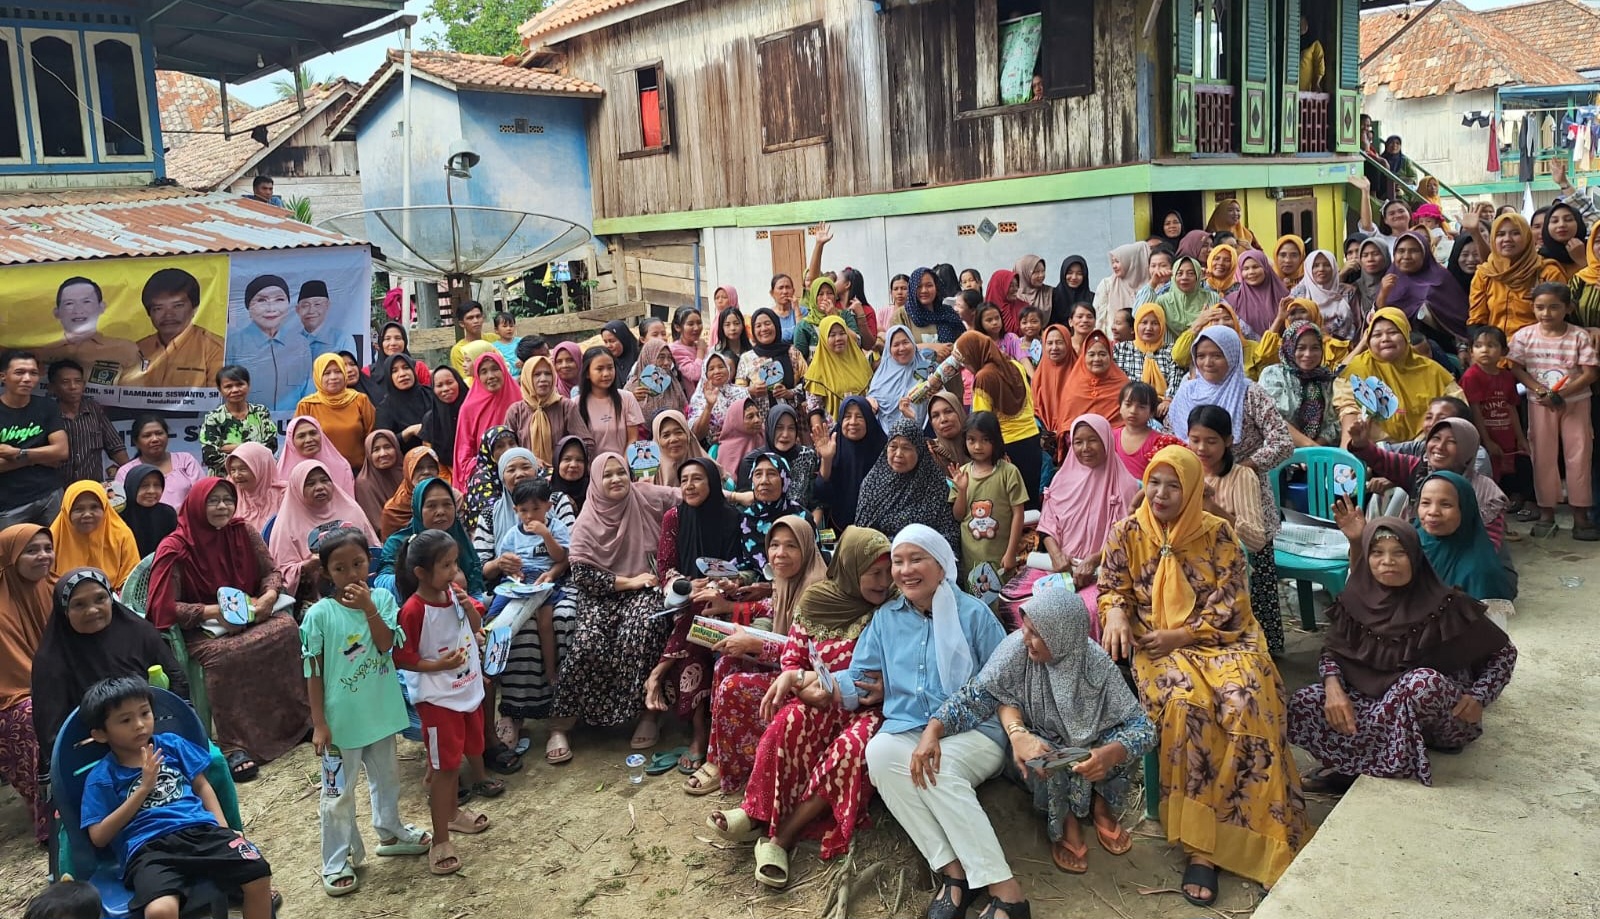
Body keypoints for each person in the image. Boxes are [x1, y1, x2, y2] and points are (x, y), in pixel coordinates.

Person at [1098, 446, 1306, 904]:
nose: (1162, 493)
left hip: (1222, 640)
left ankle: (1257, 838)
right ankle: (1200, 849)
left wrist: (1185, 634)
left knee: (1246, 701)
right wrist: (1114, 615)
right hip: (1156, 647)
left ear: (1192, 489)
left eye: (1174, 485)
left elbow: (1233, 605)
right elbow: (1110, 588)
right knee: (1188, 706)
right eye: (1155, 482)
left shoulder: (1219, 535)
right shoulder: (1127, 533)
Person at [836, 525, 1021, 919]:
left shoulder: (974, 615)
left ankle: (1007, 891)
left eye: (916, 559)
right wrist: (809, 680)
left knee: (938, 766)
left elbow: (1001, 686)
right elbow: (858, 678)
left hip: (975, 732)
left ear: (941, 566)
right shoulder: (886, 619)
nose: (905, 570)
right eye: (898, 562)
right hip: (907, 729)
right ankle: (953, 872)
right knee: (881, 753)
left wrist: (940, 729)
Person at [933, 587, 1154, 875]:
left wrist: (1110, 754)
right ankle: (1064, 821)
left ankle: (1102, 806)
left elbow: (1143, 727)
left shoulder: (1095, 662)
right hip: (1041, 742)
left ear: (1062, 637)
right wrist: (934, 729)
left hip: (1091, 750)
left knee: (1126, 743)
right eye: (1026, 628)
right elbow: (977, 695)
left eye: (1036, 633)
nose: (1026, 638)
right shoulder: (1018, 650)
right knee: (1046, 758)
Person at [703, 520, 878, 884]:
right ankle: (755, 812)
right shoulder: (816, 603)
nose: (882, 581)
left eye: (885, 572)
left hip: (868, 709)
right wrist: (801, 686)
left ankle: (781, 835)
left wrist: (808, 683)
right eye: (872, 572)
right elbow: (793, 659)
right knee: (788, 723)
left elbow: (883, 673)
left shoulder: (887, 612)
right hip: (816, 699)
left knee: (850, 747)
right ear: (849, 566)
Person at [1288, 518, 1515, 791]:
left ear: (1416, 557)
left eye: (1399, 552)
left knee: (1421, 683)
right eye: (1376, 552)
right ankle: (1367, 761)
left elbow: (1503, 653)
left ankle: (1349, 770)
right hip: (1376, 707)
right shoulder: (1355, 599)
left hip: (1441, 721)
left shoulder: (1445, 604)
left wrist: (1480, 695)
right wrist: (1333, 686)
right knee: (1305, 702)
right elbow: (1332, 651)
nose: (1387, 561)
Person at [147, 478, 311, 775]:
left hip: (251, 613)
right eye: (213, 501)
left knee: (286, 630)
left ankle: (297, 723)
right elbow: (165, 606)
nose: (222, 507)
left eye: (227, 499)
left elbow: (271, 572)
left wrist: (268, 597)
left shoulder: (242, 531)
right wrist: (212, 612)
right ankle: (234, 745)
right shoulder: (176, 546)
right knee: (227, 656)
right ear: (197, 504)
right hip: (205, 629)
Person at [300, 527, 431, 894]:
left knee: (387, 778)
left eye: (357, 564)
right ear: (327, 573)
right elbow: (314, 670)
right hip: (341, 725)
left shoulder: (384, 602)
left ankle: (389, 832)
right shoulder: (320, 615)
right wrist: (319, 724)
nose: (351, 574)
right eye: (340, 568)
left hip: (380, 712)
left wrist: (369, 608)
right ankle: (336, 860)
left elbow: (386, 644)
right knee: (337, 792)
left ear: (369, 563)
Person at [79, 676, 276, 919]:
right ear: (100, 734)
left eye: (145, 713)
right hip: (148, 849)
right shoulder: (102, 777)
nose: (140, 725)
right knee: (160, 911)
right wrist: (143, 789)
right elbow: (98, 836)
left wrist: (223, 828)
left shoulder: (172, 746)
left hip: (201, 832)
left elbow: (202, 786)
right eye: (126, 720)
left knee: (258, 871)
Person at [547, 454, 678, 755]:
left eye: (621, 472)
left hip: (645, 588)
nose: (616, 479)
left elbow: (686, 495)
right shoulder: (587, 519)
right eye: (608, 475)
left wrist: (734, 492)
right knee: (588, 643)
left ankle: (649, 713)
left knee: (644, 626)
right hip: (602, 593)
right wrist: (628, 581)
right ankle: (561, 724)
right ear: (596, 481)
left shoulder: (643, 495)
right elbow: (582, 574)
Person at [389, 531, 496, 876]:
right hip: (438, 700)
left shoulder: (455, 595)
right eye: (446, 565)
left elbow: (477, 626)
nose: (454, 572)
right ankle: (440, 839)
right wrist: (438, 666)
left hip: (466, 691)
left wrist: (469, 608)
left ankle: (452, 815)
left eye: (456, 563)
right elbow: (402, 658)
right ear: (421, 572)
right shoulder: (413, 610)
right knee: (445, 768)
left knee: (467, 749)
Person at [1188, 405, 1285, 653]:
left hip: (1234, 565)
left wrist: (1213, 507)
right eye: (1195, 440)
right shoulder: (1185, 472)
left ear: (1228, 441)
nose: (1201, 448)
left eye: (1211, 441)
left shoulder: (1242, 476)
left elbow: (1255, 539)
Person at [1507, 283, 1600, 539]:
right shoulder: (1524, 336)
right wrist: (1541, 391)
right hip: (1541, 405)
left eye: (1554, 307)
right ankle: (1546, 513)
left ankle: (1581, 517)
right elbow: (1516, 367)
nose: (1546, 313)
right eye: (1540, 307)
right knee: (1543, 456)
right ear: (1532, 308)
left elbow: (1590, 373)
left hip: (1576, 402)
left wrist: (1562, 394)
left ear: (1568, 308)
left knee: (1579, 455)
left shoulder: (1579, 336)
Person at [1034, 414, 1139, 609]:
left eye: (1093, 440)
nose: (1085, 448)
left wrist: (1095, 559)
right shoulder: (1062, 479)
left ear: (1106, 441)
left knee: (1088, 610)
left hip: (1105, 571)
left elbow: (1129, 537)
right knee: (1021, 602)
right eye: (1078, 442)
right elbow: (1047, 525)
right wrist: (1056, 554)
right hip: (1058, 568)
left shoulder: (1125, 484)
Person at [1334, 309, 1465, 444]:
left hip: (1426, 448)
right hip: (1375, 452)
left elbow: (1458, 410)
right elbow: (1349, 414)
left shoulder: (1432, 371)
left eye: (1393, 332)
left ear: (1406, 335)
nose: (1385, 339)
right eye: (1377, 334)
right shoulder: (1357, 370)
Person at [0, 524, 55, 842]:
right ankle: (50, 816)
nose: (43, 556)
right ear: (10, 558)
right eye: (32, 550)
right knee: (32, 717)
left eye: (47, 548)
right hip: (13, 697)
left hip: (55, 683)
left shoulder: (58, 587)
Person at [270, 461, 379, 599]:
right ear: (297, 488)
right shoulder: (286, 524)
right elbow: (280, 572)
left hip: (361, 587)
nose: (320, 487)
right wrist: (305, 567)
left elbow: (373, 549)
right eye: (310, 484)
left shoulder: (351, 509)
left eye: (324, 480)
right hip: (314, 598)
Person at [856, 419, 961, 555]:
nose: (898, 454)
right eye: (893, 447)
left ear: (919, 451)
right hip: (881, 562)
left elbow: (949, 535)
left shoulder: (935, 486)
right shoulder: (872, 483)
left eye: (906, 448)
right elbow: (862, 535)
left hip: (926, 563)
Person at [954, 411, 1028, 584]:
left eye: (985, 440)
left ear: (996, 440)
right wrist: (962, 490)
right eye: (971, 440)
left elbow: (1018, 514)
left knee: (1001, 602)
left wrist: (1010, 552)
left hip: (1001, 555)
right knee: (976, 602)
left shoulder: (1008, 472)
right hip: (971, 558)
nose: (978, 446)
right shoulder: (963, 473)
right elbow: (958, 516)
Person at [0, 352, 69, 528]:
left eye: (33, 373)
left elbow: (61, 452)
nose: (27, 378)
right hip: (9, 504)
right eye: (19, 372)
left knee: (58, 549)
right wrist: (40, 458)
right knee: (13, 554)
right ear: (3, 377)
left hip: (50, 494)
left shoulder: (46, 406)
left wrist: (17, 453)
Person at [1470, 213, 1567, 338]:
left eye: (1515, 233)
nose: (1507, 239)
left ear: (1527, 237)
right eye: (1500, 234)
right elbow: (1477, 320)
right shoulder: (1485, 273)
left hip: (1538, 349)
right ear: (1493, 239)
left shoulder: (1547, 272)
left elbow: (1559, 319)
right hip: (1497, 351)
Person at [226, 274, 313, 412]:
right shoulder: (234, 345)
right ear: (248, 306)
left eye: (279, 299)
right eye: (261, 300)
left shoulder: (300, 343)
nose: (271, 308)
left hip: (292, 426)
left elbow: (308, 390)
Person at [131, 268, 226, 389]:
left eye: (178, 306)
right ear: (149, 313)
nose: (168, 315)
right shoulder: (138, 350)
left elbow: (218, 400)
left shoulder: (214, 349)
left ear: (195, 308)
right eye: (159, 308)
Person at [36, 277, 142, 384]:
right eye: (69, 303)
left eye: (86, 302)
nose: (78, 310)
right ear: (57, 312)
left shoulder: (125, 349)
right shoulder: (42, 352)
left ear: (102, 307)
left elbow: (134, 393)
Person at [1259, 320, 1341, 446]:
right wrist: (1309, 448)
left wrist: (1317, 450)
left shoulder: (1326, 379)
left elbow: (1334, 423)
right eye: (1301, 348)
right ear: (1289, 348)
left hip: (1321, 454)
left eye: (1315, 348)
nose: (1308, 354)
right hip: (1281, 453)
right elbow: (1273, 418)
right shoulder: (1273, 375)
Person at [47, 359, 128, 485]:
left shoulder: (94, 409)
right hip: (58, 491)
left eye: (78, 381)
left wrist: (132, 473)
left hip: (93, 489)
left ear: (84, 385)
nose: (73, 386)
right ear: (52, 387)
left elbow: (115, 447)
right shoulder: (47, 414)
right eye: (65, 382)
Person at [50, 480, 140, 588]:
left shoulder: (121, 534)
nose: (87, 514)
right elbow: (47, 581)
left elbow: (131, 579)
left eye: (94, 507)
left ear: (105, 508)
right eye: (78, 509)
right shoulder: (54, 537)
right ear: (67, 511)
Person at [296, 353, 376, 471]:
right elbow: (298, 442)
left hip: (358, 472)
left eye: (338, 371)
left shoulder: (360, 400)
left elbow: (372, 435)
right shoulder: (307, 405)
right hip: (321, 474)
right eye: (326, 373)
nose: (333, 377)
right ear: (318, 376)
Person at [452, 351, 520, 490]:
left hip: (521, 474)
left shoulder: (519, 399)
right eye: (483, 371)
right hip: (486, 481)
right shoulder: (469, 408)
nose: (490, 376)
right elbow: (463, 455)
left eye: (495, 369)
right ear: (477, 376)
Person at [114, 415, 205, 511]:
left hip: (186, 524)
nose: (155, 439)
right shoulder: (126, 471)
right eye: (147, 435)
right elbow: (121, 508)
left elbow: (202, 494)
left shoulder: (186, 460)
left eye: (159, 433)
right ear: (136, 442)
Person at [199, 366, 278, 475]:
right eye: (228, 386)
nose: (235, 390)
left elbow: (271, 446)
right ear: (220, 390)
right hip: (225, 483)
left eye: (240, 384)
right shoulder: (213, 418)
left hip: (259, 477)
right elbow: (210, 457)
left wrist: (236, 448)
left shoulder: (261, 412)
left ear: (248, 385)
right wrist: (255, 449)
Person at [575, 347, 644, 459]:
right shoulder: (576, 404)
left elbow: (633, 439)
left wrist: (622, 466)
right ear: (587, 373)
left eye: (610, 368)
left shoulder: (627, 398)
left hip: (623, 468)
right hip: (590, 471)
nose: (606, 374)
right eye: (600, 369)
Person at [736, 308, 808, 415]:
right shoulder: (747, 358)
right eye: (758, 326)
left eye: (767, 323)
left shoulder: (793, 353)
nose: (764, 329)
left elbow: (809, 384)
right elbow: (736, 393)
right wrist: (750, 391)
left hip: (791, 422)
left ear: (776, 325)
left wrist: (790, 393)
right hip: (759, 425)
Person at [868, 325, 933, 433]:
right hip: (888, 438)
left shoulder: (925, 367)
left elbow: (940, 396)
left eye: (905, 342)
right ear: (889, 349)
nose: (902, 348)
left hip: (925, 433)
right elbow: (872, 405)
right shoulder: (882, 375)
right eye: (896, 345)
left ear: (913, 343)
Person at [1113, 382, 1184, 478]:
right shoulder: (1111, 437)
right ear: (1120, 407)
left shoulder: (1160, 442)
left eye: (1141, 407)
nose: (1133, 411)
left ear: (1151, 412)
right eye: (1128, 404)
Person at [890, 267, 965, 356]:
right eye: (919, 286)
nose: (924, 290)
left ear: (936, 287)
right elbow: (896, 349)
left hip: (949, 367)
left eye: (929, 285)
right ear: (912, 289)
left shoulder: (948, 312)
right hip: (914, 369)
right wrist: (931, 347)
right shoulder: (901, 315)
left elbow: (963, 342)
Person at [1293, 248, 1362, 342]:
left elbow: (1358, 325)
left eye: (1326, 265)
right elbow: (1292, 326)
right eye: (1316, 266)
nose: (1321, 269)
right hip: (1307, 351)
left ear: (1334, 267)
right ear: (1308, 268)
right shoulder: (1299, 294)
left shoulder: (1347, 292)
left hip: (1344, 350)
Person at [277, 415, 355, 496]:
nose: (309, 440)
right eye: (301, 436)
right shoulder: (280, 475)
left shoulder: (341, 467)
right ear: (291, 441)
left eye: (313, 433)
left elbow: (349, 504)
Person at [371, 354, 432, 453]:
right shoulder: (385, 408)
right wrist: (408, 432)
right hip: (404, 463)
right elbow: (383, 443)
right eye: (394, 371)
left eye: (406, 367)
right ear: (389, 377)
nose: (402, 374)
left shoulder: (431, 394)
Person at [222, 442, 284, 536]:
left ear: (261, 467)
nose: (236, 475)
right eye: (232, 470)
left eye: (243, 469)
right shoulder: (229, 495)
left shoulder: (283, 495)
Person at [120, 465, 179, 556]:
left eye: (157, 485)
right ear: (132, 486)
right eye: (144, 485)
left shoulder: (167, 514)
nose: (152, 491)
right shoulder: (120, 515)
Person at [1093, 243, 1150, 338]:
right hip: (1112, 344)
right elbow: (1099, 318)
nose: (1114, 266)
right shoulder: (1107, 285)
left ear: (1133, 261)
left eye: (1118, 262)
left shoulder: (1150, 287)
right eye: (1113, 262)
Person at [353, 431, 405, 532]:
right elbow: (377, 525)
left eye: (387, 447)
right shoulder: (364, 483)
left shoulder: (406, 472)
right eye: (376, 450)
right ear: (368, 454)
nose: (383, 454)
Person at [420, 366, 465, 481]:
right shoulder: (431, 420)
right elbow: (431, 458)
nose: (445, 389)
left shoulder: (474, 411)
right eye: (439, 385)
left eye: (450, 382)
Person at [295, 280, 355, 363]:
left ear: (327, 306)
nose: (311, 311)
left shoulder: (342, 339)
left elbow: (348, 372)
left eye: (317, 304)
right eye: (305, 305)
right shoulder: (291, 343)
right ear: (298, 310)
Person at [446, 302, 488, 380]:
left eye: (478, 316)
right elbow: (466, 380)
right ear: (462, 324)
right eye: (470, 318)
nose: (476, 321)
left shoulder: (494, 339)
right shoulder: (458, 350)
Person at [1013, 258, 1055, 333]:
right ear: (1023, 273)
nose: (1041, 275)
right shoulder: (1013, 296)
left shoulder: (1051, 293)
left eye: (1043, 271)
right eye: (1036, 272)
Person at [1050, 255, 1093, 328]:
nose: (1074, 277)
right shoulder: (1052, 296)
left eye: (1079, 273)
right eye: (1070, 273)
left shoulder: (1093, 298)